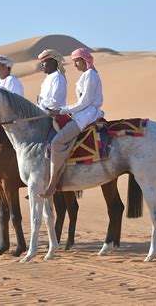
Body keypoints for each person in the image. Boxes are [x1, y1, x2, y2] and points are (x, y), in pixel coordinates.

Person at [41, 48, 104, 198]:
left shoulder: (90, 75)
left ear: (85, 60)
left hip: (86, 116)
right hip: (81, 114)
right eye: (74, 61)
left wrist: (62, 110)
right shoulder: (87, 75)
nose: (75, 64)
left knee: (56, 143)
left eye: (77, 61)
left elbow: (85, 102)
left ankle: (52, 184)